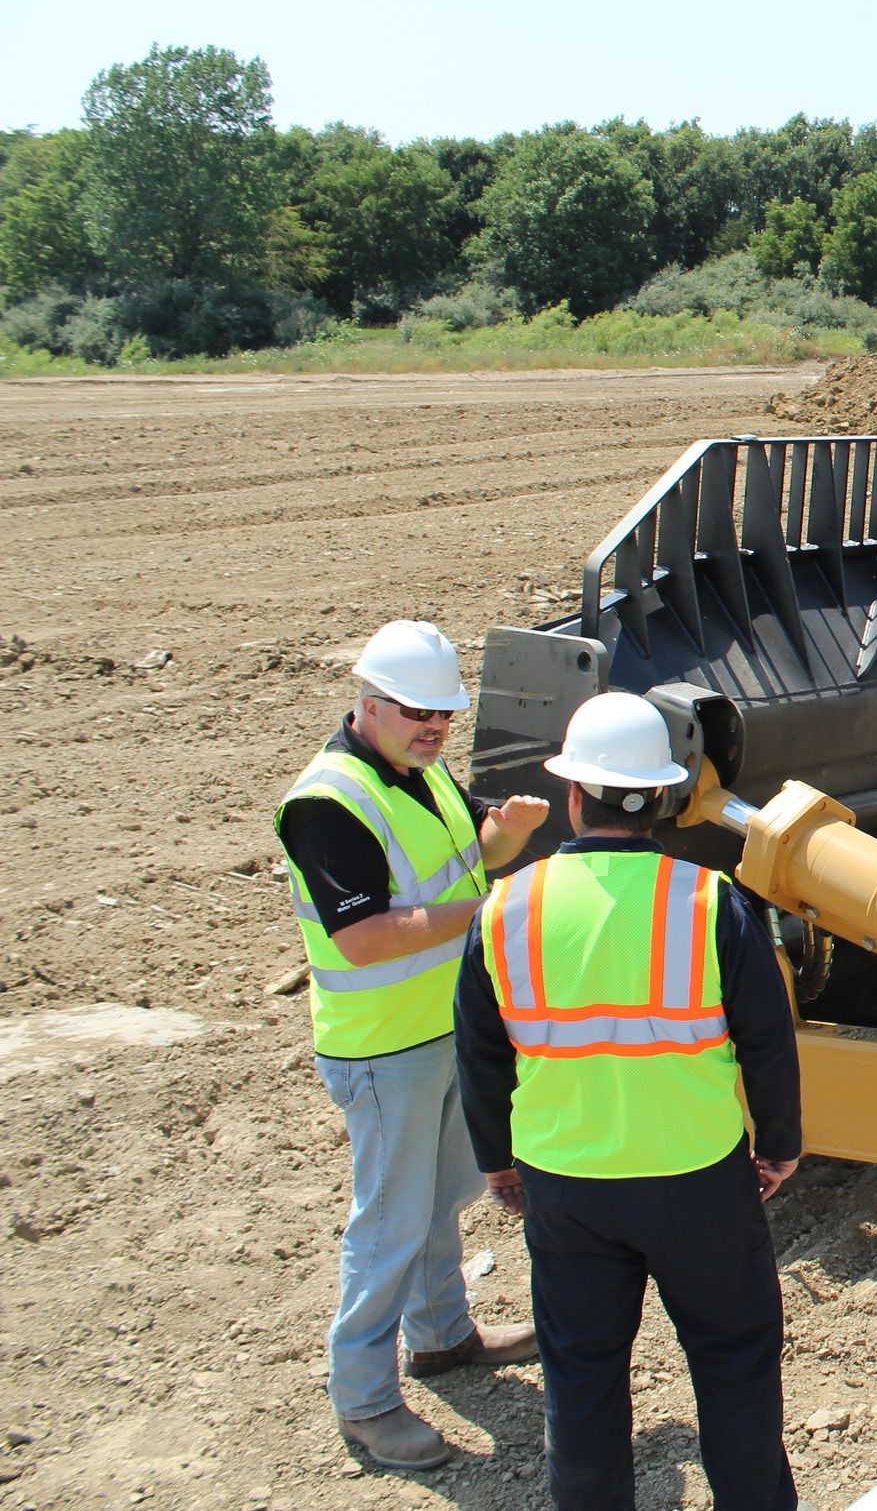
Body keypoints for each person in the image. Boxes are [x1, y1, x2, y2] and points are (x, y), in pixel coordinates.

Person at [454, 691, 803, 1511]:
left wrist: (498, 1164)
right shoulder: (715, 903)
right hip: (698, 1180)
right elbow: (767, 1039)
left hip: (566, 1185)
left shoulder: (506, 907)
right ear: (667, 800)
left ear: (574, 795)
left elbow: (478, 1053)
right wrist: (779, 1144)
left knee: (581, 1377)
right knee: (734, 1364)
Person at [274, 619, 550, 1471]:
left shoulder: (419, 777)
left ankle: (441, 1337)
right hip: (381, 1048)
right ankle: (363, 1398)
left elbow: (471, 856)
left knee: (440, 1198)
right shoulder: (329, 803)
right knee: (388, 1224)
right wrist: (488, 912)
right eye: (418, 712)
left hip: (440, 1032)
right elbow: (363, 937)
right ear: (368, 702)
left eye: (444, 714)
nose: (435, 728)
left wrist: (512, 833)